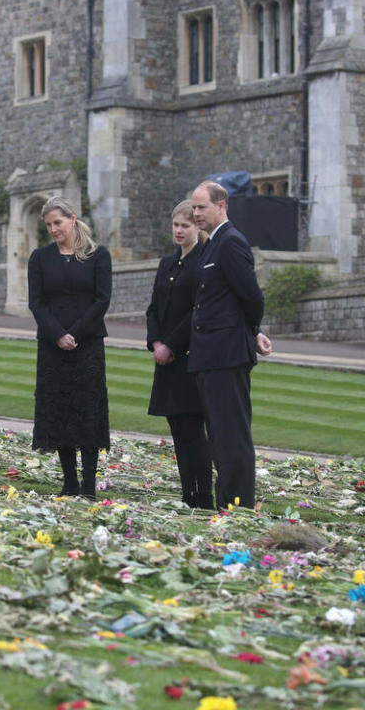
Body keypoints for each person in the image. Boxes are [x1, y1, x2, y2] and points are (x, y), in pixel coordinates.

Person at [188, 181, 273, 510]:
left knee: (232, 435)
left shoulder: (231, 242)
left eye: (201, 207)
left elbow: (251, 297)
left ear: (221, 206)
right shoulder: (212, 244)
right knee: (219, 437)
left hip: (226, 354)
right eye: (194, 208)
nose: (196, 214)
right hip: (210, 354)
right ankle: (227, 503)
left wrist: (252, 331)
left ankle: (238, 506)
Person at [28, 195, 112, 499]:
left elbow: (102, 300)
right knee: (59, 410)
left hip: (87, 345)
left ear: (72, 219)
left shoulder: (98, 256)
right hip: (52, 347)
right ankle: (69, 483)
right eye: (49, 225)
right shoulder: (40, 258)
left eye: (58, 222)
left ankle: (89, 486)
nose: (53, 229)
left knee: (87, 411)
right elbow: (36, 302)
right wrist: (58, 334)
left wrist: (74, 334)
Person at [146, 200, 213, 509]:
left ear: (197, 227)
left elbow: (197, 311)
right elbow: (154, 309)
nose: (179, 231)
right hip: (166, 359)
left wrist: (170, 345)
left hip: (189, 357)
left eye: (185, 225)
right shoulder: (167, 264)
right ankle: (187, 494)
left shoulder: (203, 263)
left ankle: (204, 495)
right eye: (175, 225)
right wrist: (156, 341)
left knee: (193, 430)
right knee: (176, 428)